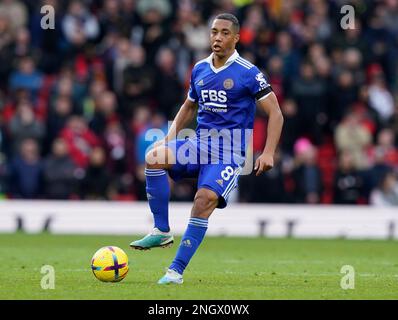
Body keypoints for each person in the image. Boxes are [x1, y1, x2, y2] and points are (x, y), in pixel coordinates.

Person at [129, 13, 283, 284]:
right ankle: (161, 229)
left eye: (224, 33)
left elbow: (276, 113)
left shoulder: (248, 73)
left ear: (236, 38)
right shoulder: (200, 68)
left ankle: (175, 271)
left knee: (203, 201)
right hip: (198, 144)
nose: (218, 38)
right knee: (154, 156)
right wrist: (169, 137)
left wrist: (268, 151)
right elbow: (189, 106)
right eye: (214, 32)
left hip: (229, 153)